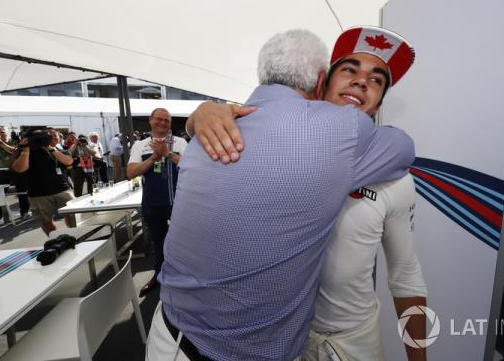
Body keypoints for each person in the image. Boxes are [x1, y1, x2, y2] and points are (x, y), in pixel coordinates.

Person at [147, 29, 414, 361]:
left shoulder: (213, 133)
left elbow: (406, 272)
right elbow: (404, 145)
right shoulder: (342, 132)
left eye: (377, 80)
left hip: (339, 343)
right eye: (349, 69)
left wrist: (196, 119)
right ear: (322, 83)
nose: (362, 82)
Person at [126, 108, 187, 298]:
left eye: (167, 120)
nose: (163, 123)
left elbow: (189, 165)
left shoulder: (180, 142)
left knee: (183, 242)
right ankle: (159, 275)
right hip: (152, 202)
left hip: (178, 202)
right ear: (150, 120)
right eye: (159, 119)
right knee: (158, 241)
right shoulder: (140, 145)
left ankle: (184, 279)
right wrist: (154, 157)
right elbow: (131, 173)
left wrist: (167, 153)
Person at [11, 129, 74, 235]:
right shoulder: (25, 151)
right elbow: (19, 169)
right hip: (38, 193)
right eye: (50, 136)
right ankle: (56, 240)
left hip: (62, 189)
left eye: (55, 135)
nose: (53, 138)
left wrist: (50, 148)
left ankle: (75, 235)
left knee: (73, 216)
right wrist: (25, 149)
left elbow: (68, 161)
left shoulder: (59, 150)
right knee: (46, 222)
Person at [0, 126, 30, 220]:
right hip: (0, 170)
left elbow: (14, 150)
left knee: (22, 191)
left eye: (2, 132)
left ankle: (24, 211)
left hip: (17, 170)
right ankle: (1, 213)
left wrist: (0, 142)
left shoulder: (15, 141)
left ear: (7, 132)